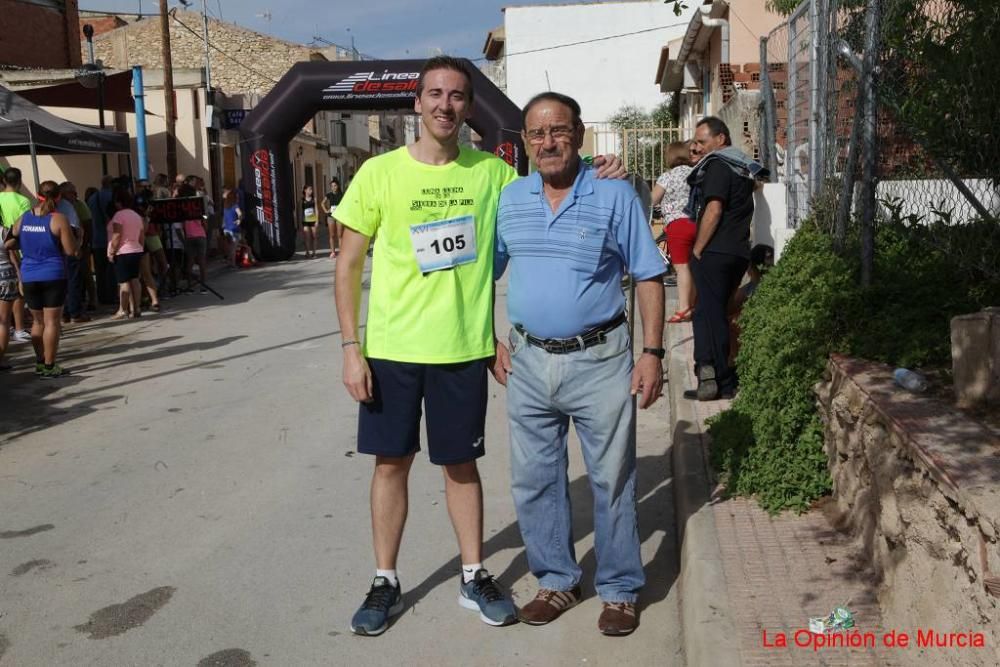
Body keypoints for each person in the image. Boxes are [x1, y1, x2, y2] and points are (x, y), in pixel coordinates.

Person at [334, 56, 626, 637]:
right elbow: (347, 264)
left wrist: (598, 166)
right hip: (392, 349)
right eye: (435, 94)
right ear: (416, 104)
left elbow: (546, 183)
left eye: (458, 95)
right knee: (391, 464)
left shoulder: (490, 174)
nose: (446, 104)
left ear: (469, 107)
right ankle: (385, 580)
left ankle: (473, 574)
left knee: (460, 466)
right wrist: (350, 346)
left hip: (463, 350)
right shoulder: (379, 173)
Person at [492, 92, 665, 637]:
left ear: (580, 134)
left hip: (600, 361)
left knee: (612, 479)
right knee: (535, 480)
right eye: (537, 134)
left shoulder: (614, 196)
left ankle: (618, 589)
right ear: (524, 142)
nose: (548, 142)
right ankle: (557, 580)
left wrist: (653, 353)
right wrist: (485, 339)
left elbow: (648, 276)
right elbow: (481, 276)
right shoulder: (510, 198)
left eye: (559, 131)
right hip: (528, 362)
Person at [684, 117, 768, 401]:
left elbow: (714, 210)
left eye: (703, 141)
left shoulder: (719, 165)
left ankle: (714, 374)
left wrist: (698, 248)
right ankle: (719, 376)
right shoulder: (743, 168)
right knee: (714, 312)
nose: (699, 147)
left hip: (715, 251)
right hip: (737, 252)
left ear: (720, 139)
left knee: (708, 315)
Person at [7, 180, 77, 378]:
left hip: (29, 276)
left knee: (37, 323)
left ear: (36, 195)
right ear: (59, 197)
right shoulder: (59, 219)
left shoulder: (24, 218)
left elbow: (9, 241)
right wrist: (78, 237)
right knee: (52, 322)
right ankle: (49, 365)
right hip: (53, 274)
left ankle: (39, 362)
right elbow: (71, 251)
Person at [651, 141, 696, 322]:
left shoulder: (667, 177)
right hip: (697, 223)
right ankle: (693, 303)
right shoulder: (696, 173)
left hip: (677, 225)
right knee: (693, 266)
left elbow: (652, 200)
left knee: (681, 267)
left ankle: (684, 308)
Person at [0, 167, 32, 342]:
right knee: (18, 290)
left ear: (4, 181)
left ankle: (10, 327)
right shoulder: (23, 200)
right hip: (16, 245)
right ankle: (19, 328)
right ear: (19, 181)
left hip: (1, 244)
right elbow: (24, 227)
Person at [107, 187, 146, 319]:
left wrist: (112, 250)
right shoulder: (136, 216)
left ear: (119, 202)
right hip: (136, 249)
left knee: (123, 281)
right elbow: (141, 235)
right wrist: (141, 247)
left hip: (123, 251)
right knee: (135, 279)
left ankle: (122, 309)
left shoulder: (118, 215)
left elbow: (117, 235)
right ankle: (137, 308)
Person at [87, 175, 117, 305]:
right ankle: (112, 295)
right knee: (111, 269)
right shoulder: (112, 196)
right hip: (110, 238)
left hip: (96, 239)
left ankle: (102, 296)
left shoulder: (93, 198)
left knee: (99, 270)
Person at [179, 183, 208, 294]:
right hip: (200, 235)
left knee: (190, 262)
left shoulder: (182, 206)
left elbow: (182, 224)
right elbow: (204, 219)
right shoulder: (198, 204)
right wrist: (204, 228)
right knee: (202, 262)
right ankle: (203, 286)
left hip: (189, 236)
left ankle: (189, 287)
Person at [0, 224, 17, 370]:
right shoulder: (3, 230)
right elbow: (12, 256)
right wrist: (20, 275)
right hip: (5, 276)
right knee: (4, 321)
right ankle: (0, 359)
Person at [321, 178, 344, 258]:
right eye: (332, 186)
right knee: (332, 235)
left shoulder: (342, 194)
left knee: (340, 235)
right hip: (331, 216)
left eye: (335, 186)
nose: (333, 187)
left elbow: (346, 203)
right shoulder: (329, 195)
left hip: (339, 216)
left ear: (338, 186)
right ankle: (333, 252)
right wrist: (326, 211)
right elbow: (322, 203)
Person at [220, 188, 242, 267]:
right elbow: (240, 213)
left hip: (226, 229)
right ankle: (233, 263)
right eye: (237, 197)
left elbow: (224, 218)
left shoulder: (225, 207)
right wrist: (239, 220)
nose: (238, 198)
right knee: (233, 248)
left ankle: (229, 261)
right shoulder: (235, 205)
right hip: (234, 228)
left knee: (229, 247)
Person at [300, 185, 319, 258]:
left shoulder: (314, 199)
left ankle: (314, 253)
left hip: (313, 220)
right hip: (305, 221)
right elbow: (300, 212)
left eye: (311, 189)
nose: (311, 191)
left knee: (314, 236)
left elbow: (316, 210)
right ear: (305, 190)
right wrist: (300, 223)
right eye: (309, 189)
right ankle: (307, 252)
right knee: (307, 237)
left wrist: (317, 220)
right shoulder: (302, 200)